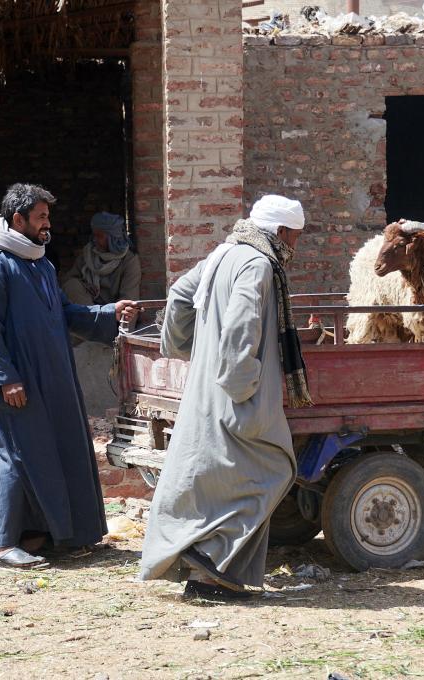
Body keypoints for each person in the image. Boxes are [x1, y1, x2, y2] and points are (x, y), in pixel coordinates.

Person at [0, 183, 136, 570]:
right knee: (17, 459)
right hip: (14, 385)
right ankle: (3, 546)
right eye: (41, 217)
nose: (47, 224)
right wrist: (5, 378)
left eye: (47, 217)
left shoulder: (41, 264)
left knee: (56, 455)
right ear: (18, 220)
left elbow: (67, 313)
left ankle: (44, 536)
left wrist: (108, 313)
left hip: (53, 381)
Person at [139, 194, 312, 600]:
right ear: (282, 232)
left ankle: (210, 575)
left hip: (207, 388)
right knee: (273, 468)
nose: (296, 246)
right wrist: (242, 386)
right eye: (297, 237)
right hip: (237, 395)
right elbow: (241, 327)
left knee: (220, 479)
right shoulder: (258, 264)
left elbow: (180, 293)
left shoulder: (225, 253)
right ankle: (212, 558)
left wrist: (187, 349)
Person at [61, 211, 141, 306]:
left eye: (99, 236)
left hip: (114, 312)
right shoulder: (88, 252)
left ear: (112, 238)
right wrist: (83, 284)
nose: (95, 240)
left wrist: (113, 314)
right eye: (94, 235)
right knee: (72, 285)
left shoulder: (129, 260)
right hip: (88, 308)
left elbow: (129, 297)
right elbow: (67, 279)